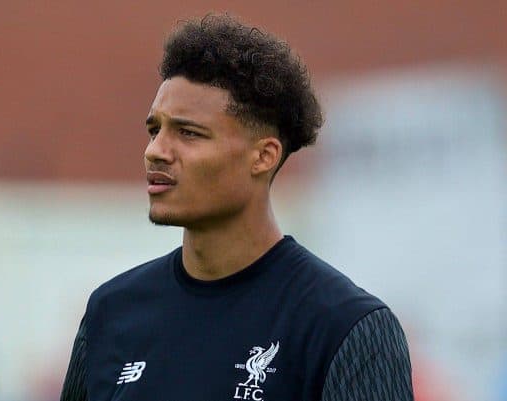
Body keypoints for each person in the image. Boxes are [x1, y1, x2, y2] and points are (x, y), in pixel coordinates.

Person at [60, 14, 413, 401]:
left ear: (263, 157)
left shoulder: (344, 327)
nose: (155, 151)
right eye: (154, 130)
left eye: (188, 133)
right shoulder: (111, 313)